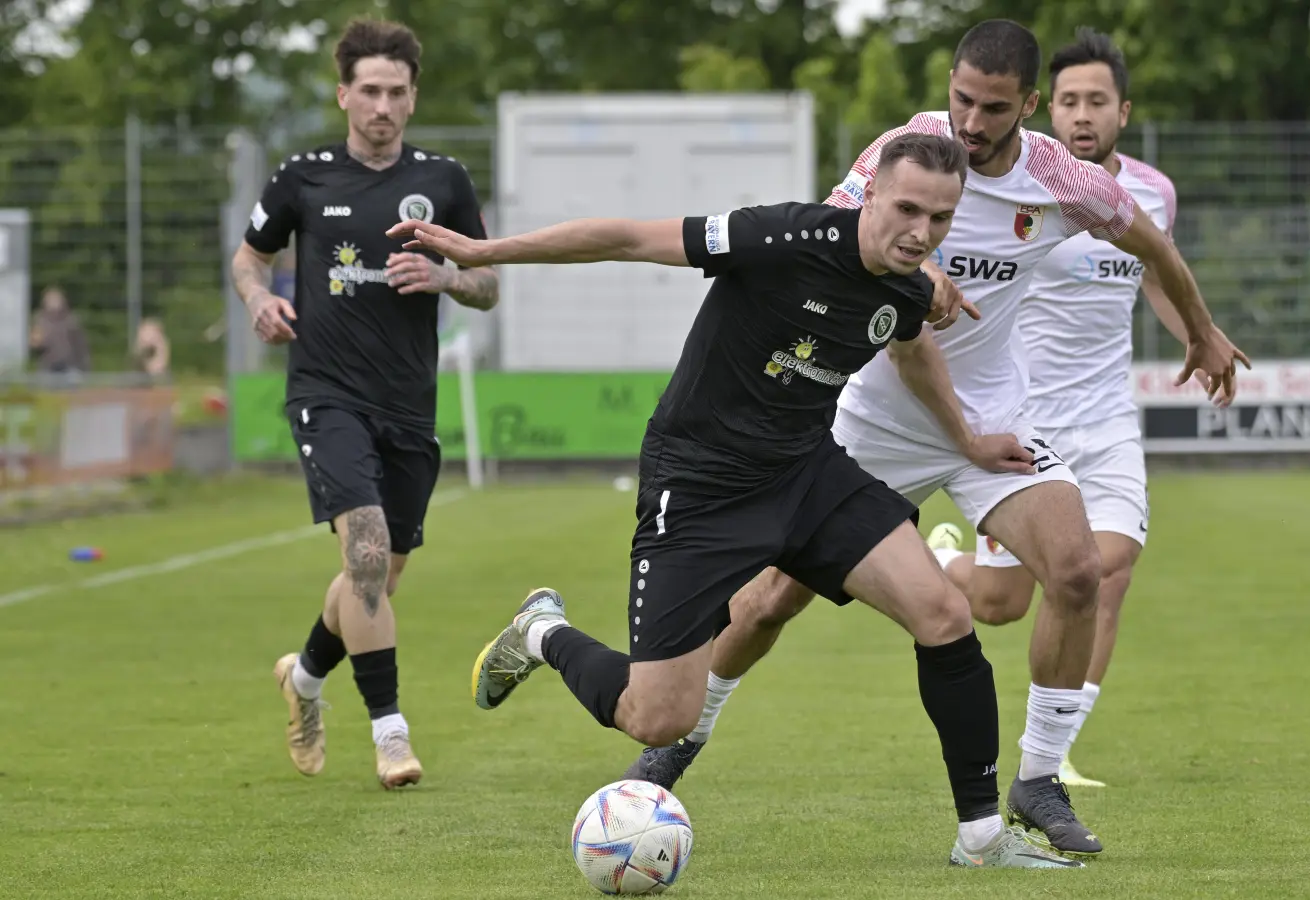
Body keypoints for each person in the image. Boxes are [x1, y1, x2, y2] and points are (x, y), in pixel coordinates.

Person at [622, 18, 1248, 858]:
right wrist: (920, 268)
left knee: (1075, 569)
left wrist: (1201, 333)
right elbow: (843, 237)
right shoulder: (904, 149)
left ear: (1028, 106)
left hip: (991, 420)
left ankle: (1038, 779)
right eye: (960, 100)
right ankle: (680, 739)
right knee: (772, 601)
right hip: (876, 415)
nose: (971, 123)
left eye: (993, 108)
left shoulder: (1062, 178)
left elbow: (1152, 243)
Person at [395, 132, 1084, 869]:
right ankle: (542, 632)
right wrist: (484, 251)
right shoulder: (781, 236)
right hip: (699, 484)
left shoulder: (907, 284)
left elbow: (911, 344)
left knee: (942, 614)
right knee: (659, 717)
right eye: (908, 209)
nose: (921, 232)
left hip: (806, 473)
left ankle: (980, 840)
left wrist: (970, 439)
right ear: (871, 194)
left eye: (941, 219)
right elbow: (628, 238)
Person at [924, 27, 1214, 790]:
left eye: (1097, 101)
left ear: (1125, 109)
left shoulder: (1150, 194)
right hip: (1026, 418)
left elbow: (1155, 272)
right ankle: (944, 556)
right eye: (1069, 101)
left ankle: (1054, 749)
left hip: (1108, 416)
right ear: (1043, 107)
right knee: (996, 605)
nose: (1081, 116)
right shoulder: (1030, 185)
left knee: (1101, 570)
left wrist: (1200, 337)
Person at [229, 18, 499, 789]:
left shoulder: (443, 181)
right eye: (370, 91)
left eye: (397, 92)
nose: (382, 105)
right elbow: (250, 259)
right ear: (344, 94)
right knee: (368, 553)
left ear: (413, 101)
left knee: (373, 576)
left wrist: (449, 278)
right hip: (326, 395)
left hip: (408, 406)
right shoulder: (302, 177)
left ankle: (305, 680)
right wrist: (257, 300)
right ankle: (391, 735)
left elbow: (488, 283)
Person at [29, 286, 90, 377]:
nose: (53, 303)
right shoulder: (40, 319)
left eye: (56, 300)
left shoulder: (71, 319)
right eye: (50, 300)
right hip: (48, 364)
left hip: (70, 364)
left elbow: (81, 344)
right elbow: (34, 343)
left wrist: (85, 365)